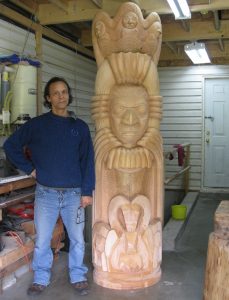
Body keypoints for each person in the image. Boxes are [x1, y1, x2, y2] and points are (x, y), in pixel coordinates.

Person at [3, 76, 95, 296]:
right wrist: (30, 169)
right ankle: (41, 278)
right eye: (55, 93)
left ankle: (78, 275)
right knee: (43, 239)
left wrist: (86, 192)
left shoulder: (80, 128)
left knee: (77, 238)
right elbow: (10, 146)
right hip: (46, 195)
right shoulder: (37, 125)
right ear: (48, 98)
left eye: (64, 92)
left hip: (74, 194)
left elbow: (87, 161)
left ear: (68, 96)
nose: (61, 96)